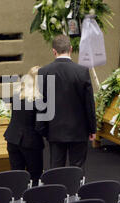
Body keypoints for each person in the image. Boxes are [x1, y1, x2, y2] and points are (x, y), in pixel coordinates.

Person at [36, 35, 96, 169]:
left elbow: (41, 104)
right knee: (77, 168)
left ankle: (58, 190)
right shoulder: (82, 72)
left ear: (54, 51)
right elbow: (89, 103)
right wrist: (92, 128)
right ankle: (75, 190)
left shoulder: (43, 72)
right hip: (79, 130)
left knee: (56, 169)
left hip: (55, 129)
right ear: (71, 48)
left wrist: (42, 129)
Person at [4, 66, 45, 186]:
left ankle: (17, 200)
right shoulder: (38, 100)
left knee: (17, 175)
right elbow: (40, 126)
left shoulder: (17, 95)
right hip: (30, 142)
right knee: (35, 176)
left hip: (12, 138)